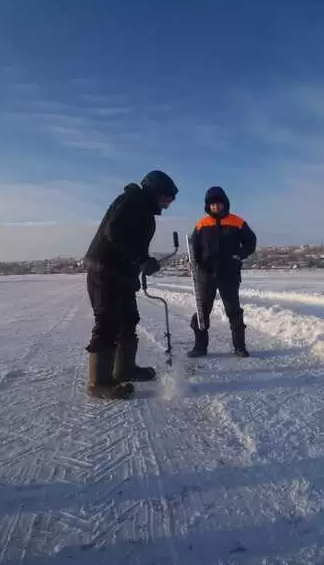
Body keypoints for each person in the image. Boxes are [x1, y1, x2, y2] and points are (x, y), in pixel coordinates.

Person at [83, 170, 178, 399]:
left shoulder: (144, 210)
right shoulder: (131, 201)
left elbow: (134, 243)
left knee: (128, 319)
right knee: (107, 322)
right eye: (166, 199)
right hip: (104, 270)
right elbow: (114, 233)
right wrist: (141, 259)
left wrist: (140, 265)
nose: (167, 205)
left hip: (123, 274)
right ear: (155, 191)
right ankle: (100, 383)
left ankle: (124, 368)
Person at [187, 186, 257, 358]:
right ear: (208, 206)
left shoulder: (237, 222)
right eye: (211, 204)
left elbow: (250, 241)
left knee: (233, 310)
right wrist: (193, 262)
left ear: (224, 203)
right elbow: (193, 247)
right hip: (205, 274)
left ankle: (239, 346)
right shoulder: (202, 224)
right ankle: (200, 347)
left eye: (218, 204)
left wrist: (238, 256)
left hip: (229, 273)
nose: (215, 207)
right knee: (202, 310)